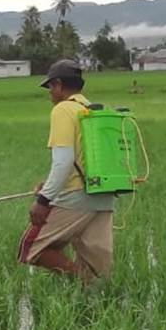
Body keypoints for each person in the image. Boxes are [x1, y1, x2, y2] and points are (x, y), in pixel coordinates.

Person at [18, 60, 117, 281]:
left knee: (32, 247)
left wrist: (44, 200)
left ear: (59, 85)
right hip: (104, 194)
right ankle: (94, 292)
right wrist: (49, 185)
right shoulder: (91, 110)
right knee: (94, 265)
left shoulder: (63, 109)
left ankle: (83, 281)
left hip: (77, 195)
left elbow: (63, 161)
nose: (50, 93)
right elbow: (83, 159)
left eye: (50, 87)